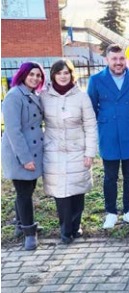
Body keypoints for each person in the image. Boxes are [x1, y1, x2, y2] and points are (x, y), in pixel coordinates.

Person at [87, 44, 129, 229]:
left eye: (121, 58)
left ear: (125, 59)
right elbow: (92, 106)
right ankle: (111, 213)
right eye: (114, 59)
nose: (118, 62)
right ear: (107, 60)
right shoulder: (96, 80)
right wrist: (107, 120)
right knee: (109, 176)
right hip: (109, 134)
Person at [41, 59, 97, 244]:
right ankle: (65, 230)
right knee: (61, 193)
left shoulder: (81, 97)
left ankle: (75, 226)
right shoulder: (44, 96)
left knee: (77, 190)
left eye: (66, 72)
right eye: (59, 73)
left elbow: (90, 125)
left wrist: (89, 152)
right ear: (53, 75)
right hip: (54, 151)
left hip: (77, 150)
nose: (63, 76)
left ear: (71, 75)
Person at [1, 62, 45, 250]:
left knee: (25, 190)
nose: (35, 78)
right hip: (19, 152)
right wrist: (25, 159)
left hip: (32, 151)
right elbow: (13, 131)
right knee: (24, 193)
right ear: (23, 75)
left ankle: (20, 225)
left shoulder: (31, 94)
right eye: (31, 74)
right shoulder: (14, 96)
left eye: (38, 75)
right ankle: (29, 233)